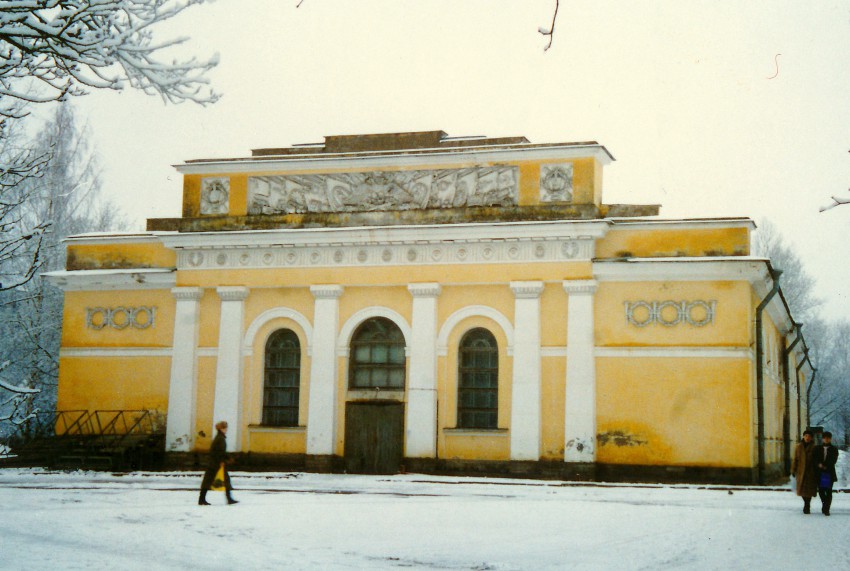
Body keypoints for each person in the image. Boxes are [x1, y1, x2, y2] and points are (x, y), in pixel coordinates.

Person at [198, 420, 238, 506]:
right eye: (224, 428)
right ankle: (202, 499)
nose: (226, 429)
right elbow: (218, 452)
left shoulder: (220, 438)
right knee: (208, 480)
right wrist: (222, 460)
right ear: (221, 429)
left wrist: (228, 457)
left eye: (226, 427)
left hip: (216, 462)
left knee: (224, 480)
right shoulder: (220, 438)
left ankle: (229, 498)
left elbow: (221, 451)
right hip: (215, 463)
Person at [791, 429, 817, 514]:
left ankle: (807, 505)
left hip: (811, 471)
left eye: (809, 436)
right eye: (806, 436)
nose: (807, 438)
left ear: (812, 438)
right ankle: (806, 503)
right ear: (803, 436)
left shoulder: (814, 447)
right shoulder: (799, 446)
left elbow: (817, 459)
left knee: (809, 490)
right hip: (800, 471)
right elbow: (795, 459)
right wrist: (793, 469)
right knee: (801, 489)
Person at [815, 431, 839, 516]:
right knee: (821, 491)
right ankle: (824, 504)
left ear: (830, 439)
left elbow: (833, 460)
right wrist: (819, 464)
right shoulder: (817, 448)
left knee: (828, 491)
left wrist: (825, 466)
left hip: (829, 472)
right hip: (819, 472)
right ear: (823, 439)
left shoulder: (834, 449)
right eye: (825, 438)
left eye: (828, 438)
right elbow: (815, 458)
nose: (826, 439)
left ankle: (827, 508)